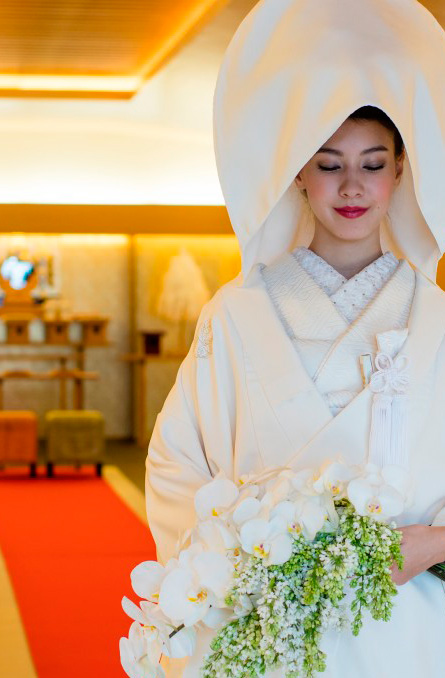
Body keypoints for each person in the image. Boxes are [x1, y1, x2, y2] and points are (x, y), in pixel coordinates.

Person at [145, 0, 445, 675]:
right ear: (298, 174)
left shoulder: (437, 320)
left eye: (372, 164)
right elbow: (175, 465)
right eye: (328, 164)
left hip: (411, 622)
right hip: (265, 619)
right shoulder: (236, 315)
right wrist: (238, 569)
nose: (351, 186)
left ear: (401, 171)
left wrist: (429, 546)